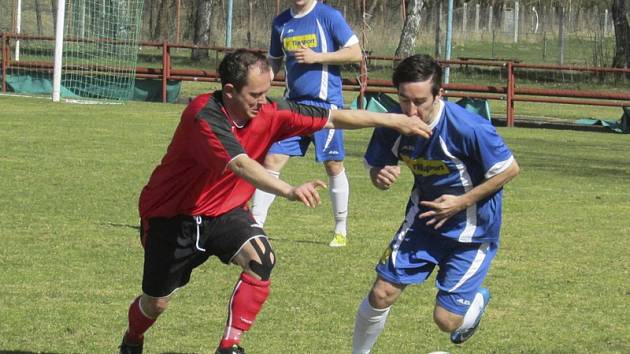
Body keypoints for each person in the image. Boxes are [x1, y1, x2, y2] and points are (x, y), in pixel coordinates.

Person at [117, 49, 431, 354]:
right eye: (255, 95)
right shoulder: (204, 115)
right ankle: (133, 337)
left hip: (225, 212)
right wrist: (289, 190)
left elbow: (335, 117)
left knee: (261, 259)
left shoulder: (271, 112)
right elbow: (241, 164)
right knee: (155, 303)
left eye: (267, 92)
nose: (263, 101)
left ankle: (230, 345)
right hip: (172, 219)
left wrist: (393, 120)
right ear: (230, 91)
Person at [351, 54, 520, 353]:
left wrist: (460, 202)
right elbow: (376, 166)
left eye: (420, 101)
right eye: (404, 100)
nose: (411, 110)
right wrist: (379, 174)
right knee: (381, 293)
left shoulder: (469, 128)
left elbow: (509, 169)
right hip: (423, 223)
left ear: (439, 94)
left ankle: (475, 300)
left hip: (472, 232)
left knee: (446, 321)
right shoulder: (393, 123)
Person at [250, 0, 362, 247]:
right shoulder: (281, 22)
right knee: (272, 160)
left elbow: (355, 52)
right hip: (292, 107)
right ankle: (255, 225)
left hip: (326, 108)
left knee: (333, 165)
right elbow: (274, 60)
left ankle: (340, 229)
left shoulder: (328, 16)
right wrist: (260, 81)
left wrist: (317, 57)